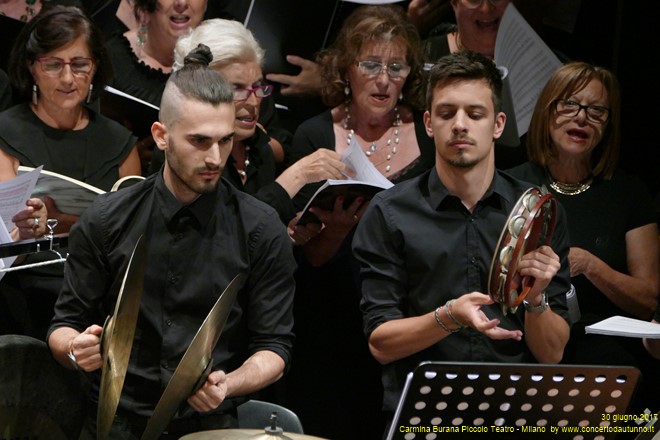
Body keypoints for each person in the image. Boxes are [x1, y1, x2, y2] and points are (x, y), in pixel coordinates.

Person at [47, 45, 296, 439]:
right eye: (199, 141)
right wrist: (76, 349)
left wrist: (228, 384)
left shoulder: (260, 228)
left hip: (207, 426)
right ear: (161, 136)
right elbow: (63, 326)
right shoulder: (107, 219)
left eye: (225, 141)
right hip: (114, 423)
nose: (216, 157)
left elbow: (274, 348)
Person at [352, 51, 572, 430]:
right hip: (425, 414)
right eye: (446, 113)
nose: (459, 125)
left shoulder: (537, 211)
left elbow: (551, 353)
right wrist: (448, 317)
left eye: (475, 114)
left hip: (517, 412)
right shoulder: (389, 213)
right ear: (429, 123)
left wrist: (535, 298)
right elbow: (381, 344)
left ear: (498, 124)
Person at [284, 6, 435, 439]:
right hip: (328, 314)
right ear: (346, 69)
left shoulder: (426, 135)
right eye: (371, 65)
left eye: (396, 66)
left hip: (405, 310)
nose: (384, 79)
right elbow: (305, 253)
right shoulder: (313, 133)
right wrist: (336, 232)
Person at [507, 61, 660, 410]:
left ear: (608, 125)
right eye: (569, 105)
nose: (581, 118)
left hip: (610, 363)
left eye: (596, 110)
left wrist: (590, 265)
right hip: (525, 353)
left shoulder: (628, 193)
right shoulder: (511, 186)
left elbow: (649, 299)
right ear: (547, 112)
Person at [0, 5, 140, 340]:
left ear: (94, 70)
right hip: (22, 292)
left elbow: (132, 241)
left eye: (79, 65)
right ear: (33, 68)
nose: (67, 78)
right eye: (53, 65)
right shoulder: (5, 133)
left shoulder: (120, 144)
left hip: (98, 297)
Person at [148, 18, 349, 224]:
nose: (253, 101)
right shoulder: (183, 151)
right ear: (200, 90)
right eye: (237, 88)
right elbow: (222, 231)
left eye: (257, 86)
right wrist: (295, 178)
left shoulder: (259, 146)